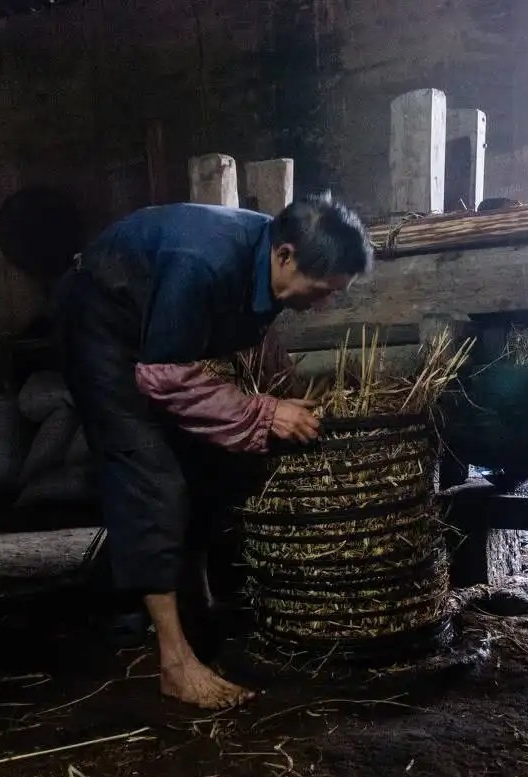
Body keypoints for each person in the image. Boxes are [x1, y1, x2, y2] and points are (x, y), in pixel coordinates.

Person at [58, 193, 373, 709]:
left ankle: (193, 599)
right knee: (150, 475)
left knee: (207, 463)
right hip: (102, 328)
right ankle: (175, 664)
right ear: (286, 255)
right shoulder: (201, 262)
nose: (322, 304)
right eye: (321, 292)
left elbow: (254, 337)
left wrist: (288, 392)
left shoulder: (267, 260)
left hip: (153, 344)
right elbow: (163, 375)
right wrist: (266, 412)